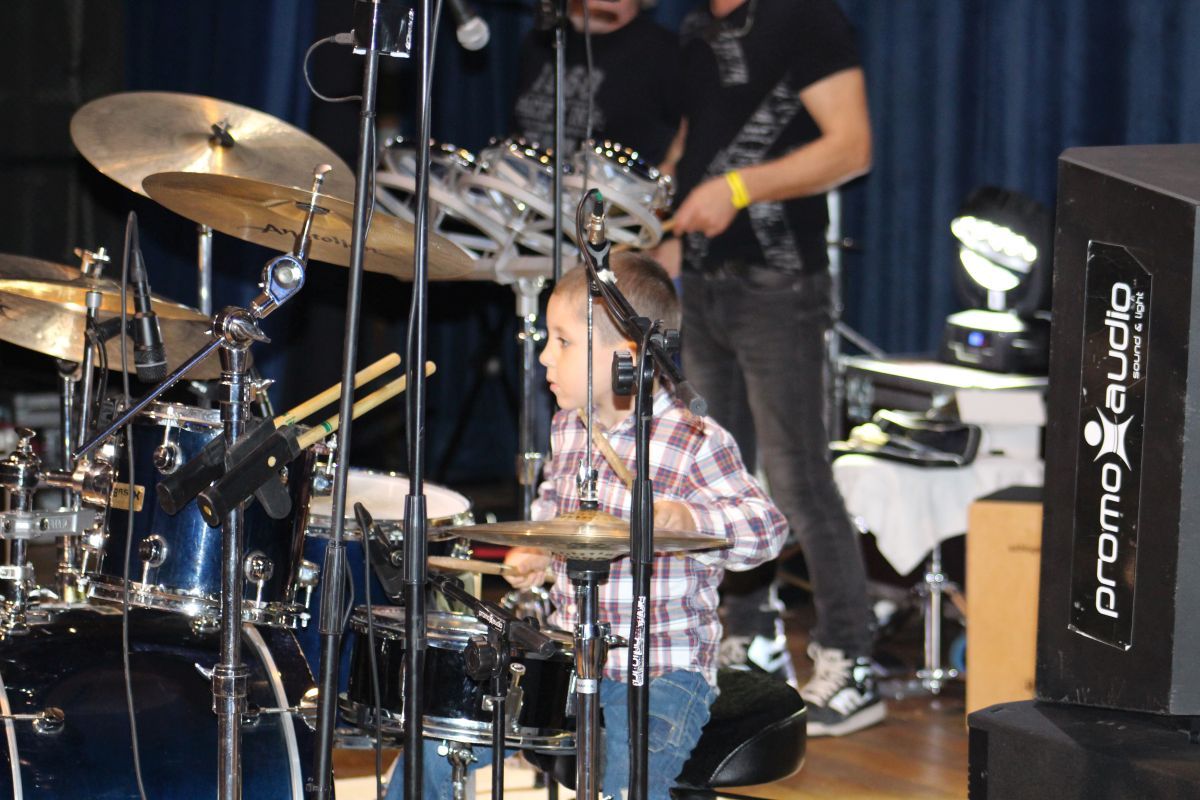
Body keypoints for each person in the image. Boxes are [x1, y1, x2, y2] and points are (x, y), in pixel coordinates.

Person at [385, 254, 787, 799]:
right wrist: (536, 552)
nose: (544, 355)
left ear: (627, 356)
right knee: (441, 737)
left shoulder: (692, 438)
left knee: (626, 784)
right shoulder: (569, 428)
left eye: (563, 341)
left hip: (662, 672)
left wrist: (688, 518)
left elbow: (767, 527)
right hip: (567, 655)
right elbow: (556, 510)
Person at [664, 0, 883, 737]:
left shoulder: (806, 17)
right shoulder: (696, 29)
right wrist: (654, 221)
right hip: (705, 282)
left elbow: (851, 147)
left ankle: (852, 658)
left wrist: (736, 190)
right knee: (715, 479)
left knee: (796, 476)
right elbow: (694, 141)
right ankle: (750, 640)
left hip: (780, 284)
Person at [510, 0, 681, 165]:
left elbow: (686, 133)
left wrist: (670, 167)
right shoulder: (542, 40)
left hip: (608, 182)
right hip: (530, 175)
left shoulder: (665, 52)